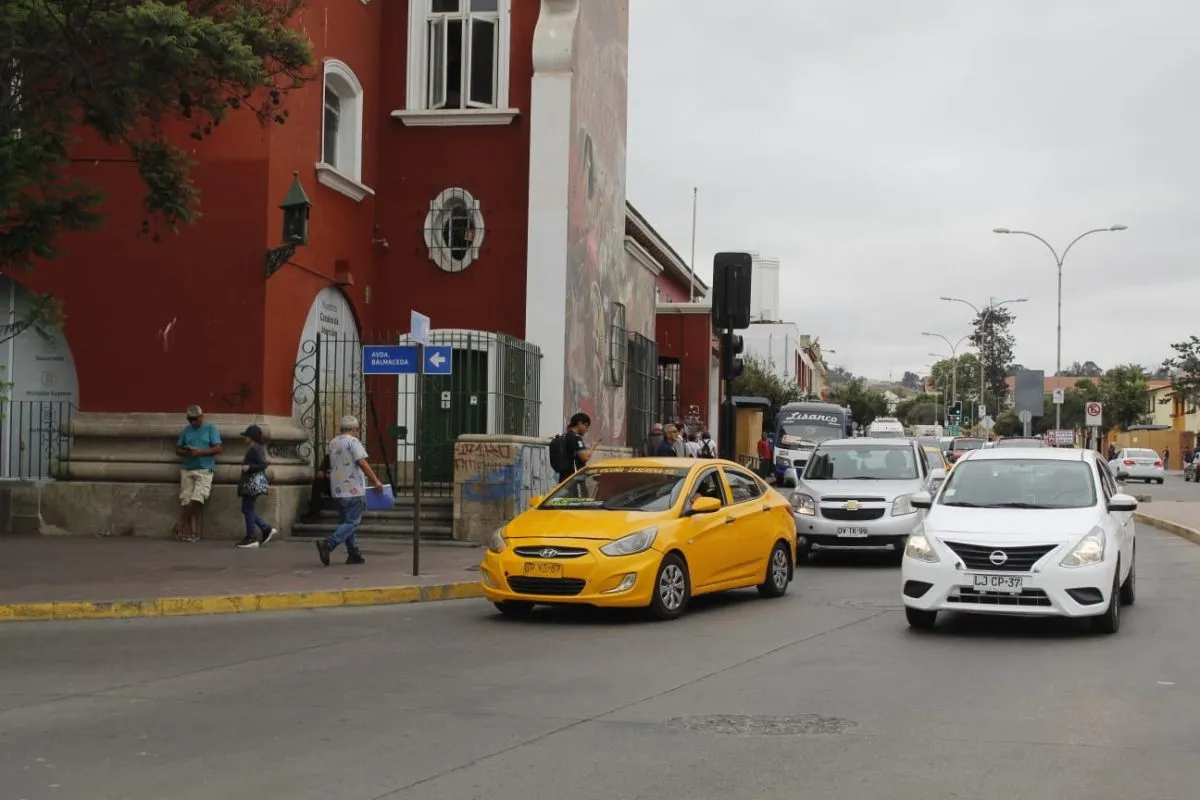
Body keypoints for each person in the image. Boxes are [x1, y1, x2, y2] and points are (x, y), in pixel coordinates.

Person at [315, 416, 385, 567]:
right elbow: (362, 463)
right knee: (353, 522)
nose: (357, 432)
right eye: (357, 430)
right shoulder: (353, 442)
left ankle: (354, 553)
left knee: (346, 522)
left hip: (338, 489)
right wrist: (376, 481)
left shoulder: (333, 443)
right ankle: (328, 544)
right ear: (354, 429)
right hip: (353, 489)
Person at [174, 405, 223, 542]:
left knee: (198, 498)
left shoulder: (211, 429)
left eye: (195, 419)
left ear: (201, 417)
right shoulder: (186, 430)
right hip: (188, 468)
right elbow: (177, 449)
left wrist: (200, 452)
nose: (193, 423)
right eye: (190, 420)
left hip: (205, 468)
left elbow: (218, 448)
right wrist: (187, 452)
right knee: (186, 500)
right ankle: (193, 532)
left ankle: (180, 525)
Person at [236, 424, 277, 548]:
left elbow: (263, 464)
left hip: (252, 482)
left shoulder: (255, 448)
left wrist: (249, 467)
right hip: (254, 482)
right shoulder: (256, 447)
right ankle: (265, 528)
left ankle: (251, 536)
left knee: (247, 508)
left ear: (251, 437)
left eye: (247, 436)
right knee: (247, 508)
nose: (245, 438)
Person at [299, 453, 332, 524]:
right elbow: (320, 474)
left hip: (345, 486)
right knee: (317, 483)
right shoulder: (329, 456)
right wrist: (325, 474)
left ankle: (314, 511)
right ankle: (313, 512)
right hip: (332, 484)